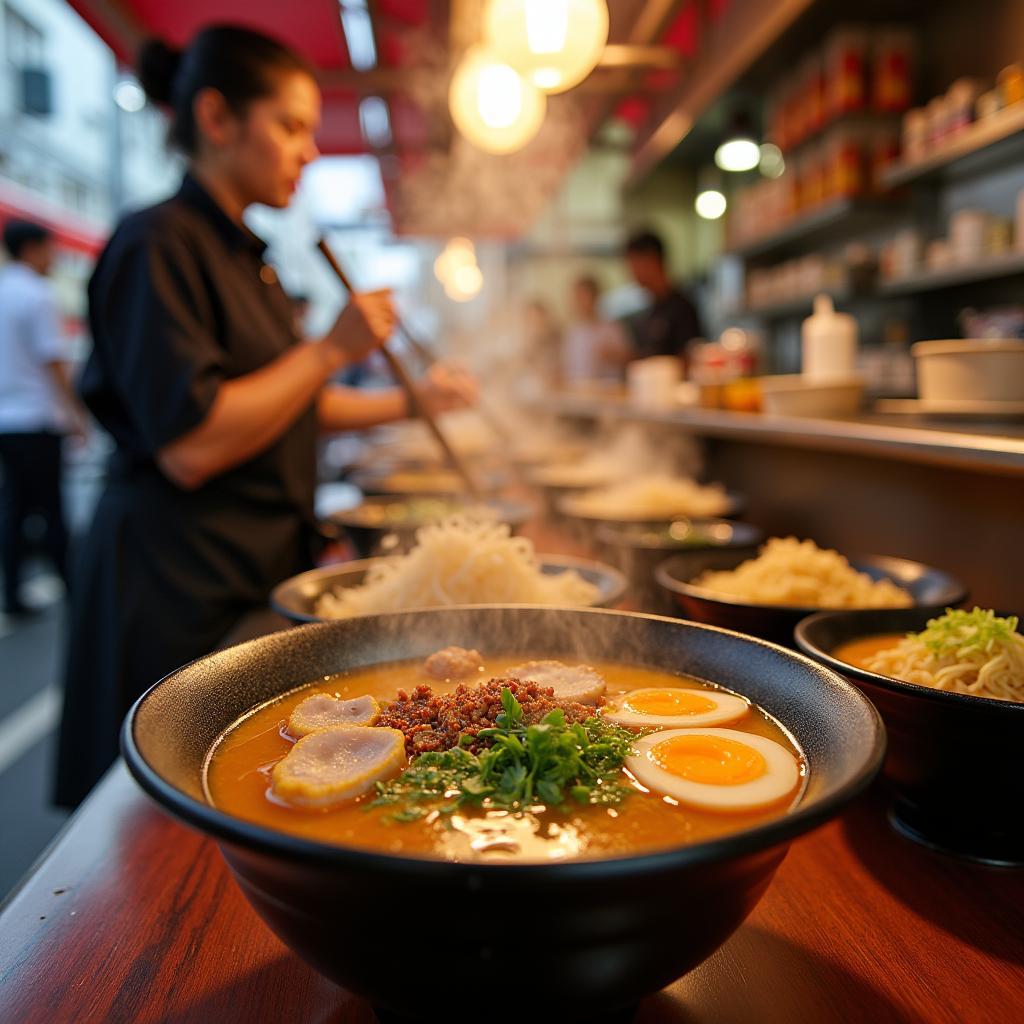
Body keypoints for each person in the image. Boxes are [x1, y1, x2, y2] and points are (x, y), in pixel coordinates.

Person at [56, 25, 476, 807]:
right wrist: (327, 348)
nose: (309, 151)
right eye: (290, 125)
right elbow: (192, 441)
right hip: (175, 583)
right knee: (159, 818)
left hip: (243, 572)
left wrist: (419, 400)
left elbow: (291, 405)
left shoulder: (249, 260)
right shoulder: (158, 244)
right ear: (216, 118)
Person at [0, 220, 88, 617]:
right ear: (32, 249)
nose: (54, 257)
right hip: (37, 419)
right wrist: (76, 415)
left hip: (6, 421)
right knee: (52, 511)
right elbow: (53, 362)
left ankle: (13, 593)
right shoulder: (37, 296)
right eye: (50, 249)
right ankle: (74, 591)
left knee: (14, 509)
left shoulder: (3, 291)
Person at [623, 229, 704, 362]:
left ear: (651, 260)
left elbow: (692, 356)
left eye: (634, 264)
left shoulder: (682, 307)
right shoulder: (650, 310)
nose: (631, 272)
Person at [561, 275, 630, 384]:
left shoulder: (610, 328)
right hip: (578, 390)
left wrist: (613, 356)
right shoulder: (573, 332)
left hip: (607, 390)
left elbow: (628, 359)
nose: (580, 302)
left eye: (583, 297)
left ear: (595, 297)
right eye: (577, 297)